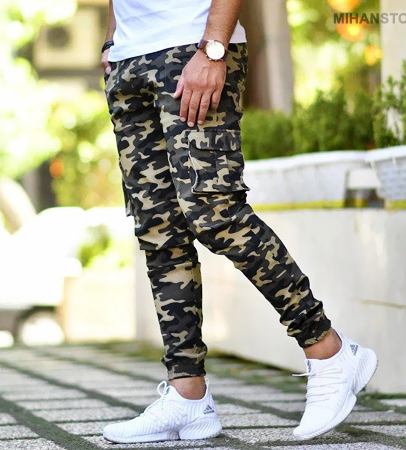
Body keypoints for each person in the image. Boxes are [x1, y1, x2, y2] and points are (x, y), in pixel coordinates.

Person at [100, 0, 378, 443]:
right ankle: (188, 397)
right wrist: (112, 40)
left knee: (216, 215)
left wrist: (214, 47)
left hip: (192, 49)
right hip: (127, 61)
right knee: (159, 232)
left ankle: (329, 351)